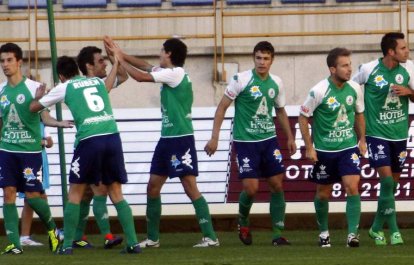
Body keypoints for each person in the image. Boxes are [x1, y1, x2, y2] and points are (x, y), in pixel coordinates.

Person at [105, 36, 219, 248]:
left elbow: (140, 76)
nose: (159, 54)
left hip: (180, 139)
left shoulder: (175, 74)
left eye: (161, 51)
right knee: (153, 187)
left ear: (169, 54)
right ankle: (153, 238)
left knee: (189, 186)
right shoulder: (169, 73)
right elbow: (146, 66)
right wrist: (120, 52)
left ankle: (210, 236)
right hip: (167, 139)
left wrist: (119, 59)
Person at [30, 56, 141, 255]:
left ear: (61, 76)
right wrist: (116, 63)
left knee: (75, 193)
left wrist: (39, 96)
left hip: (90, 140)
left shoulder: (64, 86)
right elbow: (111, 84)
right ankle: (133, 243)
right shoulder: (97, 81)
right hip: (112, 136)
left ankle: (67, 246)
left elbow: (34, 109)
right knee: (116, 193)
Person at [204, 41, 296, 246]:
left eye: (266, 58)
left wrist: (289, 136)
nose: (262, 62)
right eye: (258, 58)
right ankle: (243, 221)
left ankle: (277, 233)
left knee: (277, 184)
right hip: (245, 142)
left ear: (272, 60)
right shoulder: (241, 80)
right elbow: (222, 108)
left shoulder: (277, 82)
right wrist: (215, 137)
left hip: (269, 140)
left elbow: (280, 110)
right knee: (251, 188)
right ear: (253, 58)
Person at [0, 43, 70, 254]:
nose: (5, 65)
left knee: (32, 196)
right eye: (2, 61)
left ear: (19, 62)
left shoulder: (33, 87)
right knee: (8, 192)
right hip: (7, 150)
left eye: (9, 60)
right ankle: (14, 243)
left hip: (30, 150)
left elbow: (44, 116)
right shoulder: (1, 91)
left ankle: (53, 230)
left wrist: (58, 123)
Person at [298, 48, 366, 247]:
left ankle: (352, 235)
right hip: (325, 151)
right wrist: (309, 147)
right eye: (344, 65)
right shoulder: (318, 90)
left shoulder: (354, 88)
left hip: (348, 148)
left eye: (350, 65)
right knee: (323, 194)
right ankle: (324, 233)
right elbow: (303, 117)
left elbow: (359, 114)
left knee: (352, 187)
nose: (349, 69)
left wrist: (362, 140)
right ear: (332, 69)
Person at [352, 32, 414, 246]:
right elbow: (350, 89)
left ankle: (376, 229)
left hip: (399, 135)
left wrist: (409, 91)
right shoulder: (368, 69)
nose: (407, 51)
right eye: (403, 48)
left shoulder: (409, 69)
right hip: (376, 134)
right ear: (391, 51)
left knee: (391, 186)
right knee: (387, 181)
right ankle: (394, 231)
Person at [66, 45, 129, 249]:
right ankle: (105, 236)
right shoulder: (85, 85)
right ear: (88, 66)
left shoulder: (101, 81)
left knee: (89, 192)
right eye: (100, 60)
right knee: (95, 190)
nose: (104, 63)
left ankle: (77, 237)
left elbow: (124, 76)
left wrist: (114, 58)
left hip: (93, 143)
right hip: (88, 144)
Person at [19, 111, 54, 246]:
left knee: (41, 196)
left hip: (41, 163)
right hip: (28, 163)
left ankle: (51, 231)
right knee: (30, 199)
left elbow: (49, 142)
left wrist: (42, 141)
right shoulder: (23, 124)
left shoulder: (41, 124)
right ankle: (25, 236)